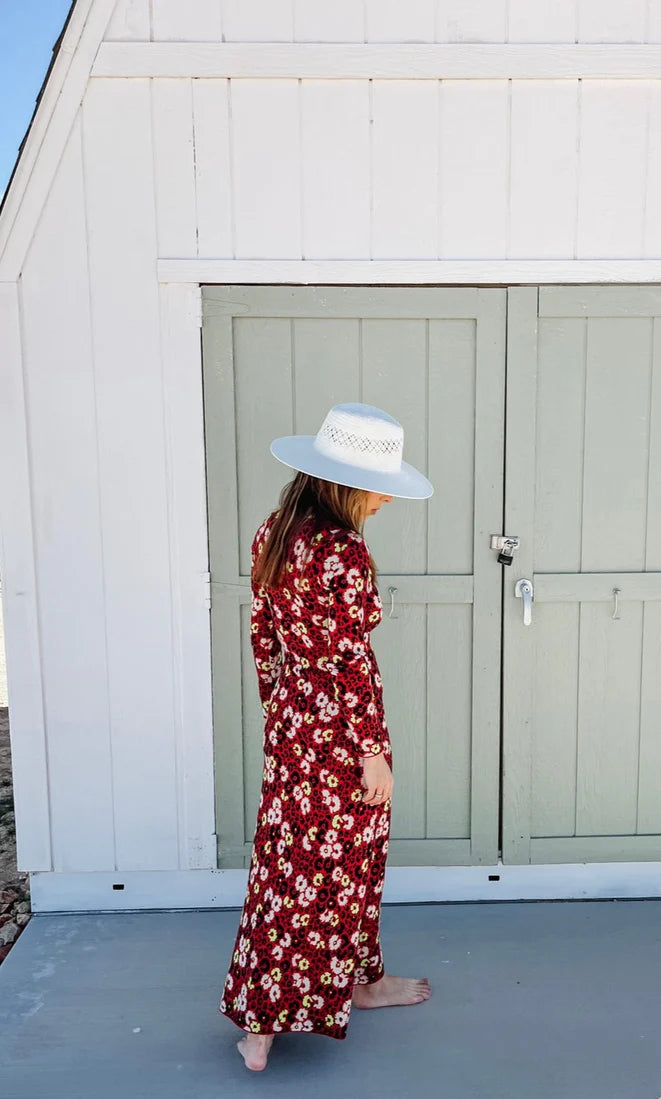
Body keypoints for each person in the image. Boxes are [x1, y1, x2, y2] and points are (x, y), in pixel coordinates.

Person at [219, 402, 435, 1071]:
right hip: (343, 729)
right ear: (348, 484)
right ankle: (340, 990)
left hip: (294, 723)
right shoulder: (342, 548)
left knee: (286, 864)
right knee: (343, 868)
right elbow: (348, 658)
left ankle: (273, 1017)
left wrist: (280, 711)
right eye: (379, 487)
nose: (384, 500)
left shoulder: (272, 533)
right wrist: (369, 748)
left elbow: (263, 634)